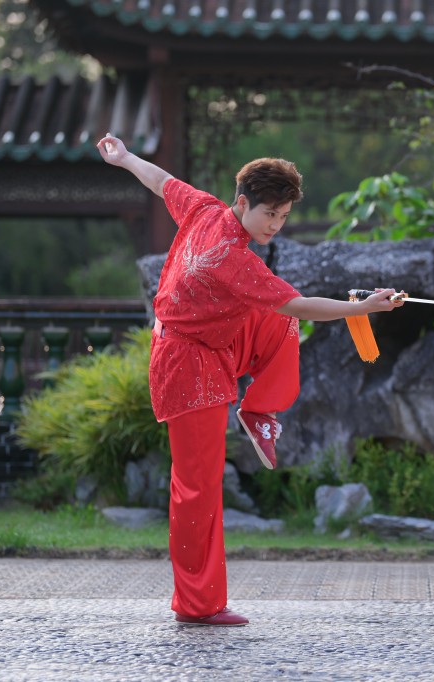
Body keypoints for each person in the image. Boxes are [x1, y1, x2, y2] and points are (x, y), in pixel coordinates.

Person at [97, 134, 404, 626]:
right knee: (196, 488)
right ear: (243, 202)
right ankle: (197, 605)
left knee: (279, 320)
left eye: (283, 218)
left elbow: (161, 182)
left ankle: (258, 408)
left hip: (211, 343)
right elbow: (302, 304)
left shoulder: (202, 208)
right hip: (187, 368)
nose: (275, 227)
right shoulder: (233, 259)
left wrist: (125, 157)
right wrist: (362, 308)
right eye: (270, 216)